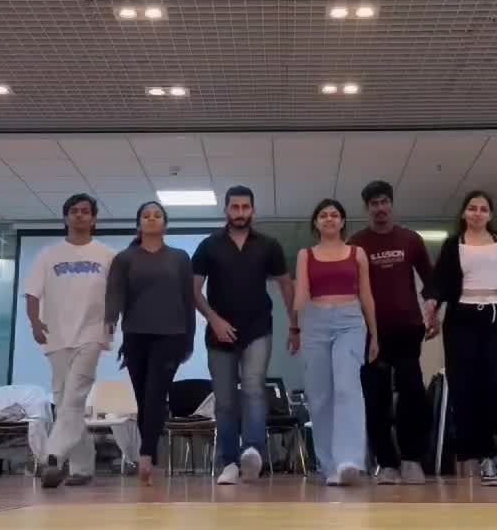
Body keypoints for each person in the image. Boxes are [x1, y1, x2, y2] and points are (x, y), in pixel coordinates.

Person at [426, 190, 497, 487]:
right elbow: (440, 281)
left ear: (490, 215)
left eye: (483, 209)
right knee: (467, 387)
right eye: (472, 208)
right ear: (463, 213)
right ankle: (485, 458)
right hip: (462, 319)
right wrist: (432, 305)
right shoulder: (453, 244)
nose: (477, 213)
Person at [192, 185, 298, 486]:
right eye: (234, 207)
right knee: (225, 401)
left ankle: (252, 452)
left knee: (253, 389)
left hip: (257, 329)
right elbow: (193, 290)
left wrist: (295, 325)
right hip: (220, 333)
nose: (240, 212)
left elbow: (286, 285)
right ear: (226, 210)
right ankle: (229, 462)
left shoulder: (268, 245)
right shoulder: (209, 245)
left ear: (253, 210)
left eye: (245, 207)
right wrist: (214, 320)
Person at [349, 180, 436, 486]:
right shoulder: (356, 243)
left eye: (384, 202)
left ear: (391, 204)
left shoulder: (410, 239)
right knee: (376, 399)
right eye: (374, 204)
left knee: (412, 393)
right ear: (367, 208)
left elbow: (431, 280)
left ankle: (412, 460)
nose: (380, 208)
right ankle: (387, 463)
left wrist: (433, 312)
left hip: (408, 329)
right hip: (371, 334)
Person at [24, 193, 115, 489]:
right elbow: (32, 293)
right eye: (74, 211)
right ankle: (82, 467)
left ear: (93, 218)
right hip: (56, 336)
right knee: (65, 401)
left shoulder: (107, 255)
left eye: (85, 211)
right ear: (66, 217)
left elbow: (116, 294)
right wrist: (34, 322)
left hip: (92, 334)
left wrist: (112, 322)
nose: (79, 215)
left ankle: (51, 457)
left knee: (74, 396)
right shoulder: (48, 255)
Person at [105, 200, 195, 485]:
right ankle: (149, 454)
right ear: (138, 224)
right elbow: (115, 292)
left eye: (157, 215)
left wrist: (189, 339)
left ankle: (145, 456)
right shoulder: (125, 258)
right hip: (136, 335)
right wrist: (110, 320)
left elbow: (188, 299)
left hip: (171, 335)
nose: (152, 219)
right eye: (146, 215)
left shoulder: (179, 258)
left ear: (165, 224)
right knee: (143, 397)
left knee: (156, 393)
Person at [294, 199, 378, 486]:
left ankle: (349, 460)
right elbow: (301, 293)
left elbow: (366, 294)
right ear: (316, 223)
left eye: (334, 215)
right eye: (323, 215)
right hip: (314, 321)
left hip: (350, 321)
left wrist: (374, 334)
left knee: (347, 388)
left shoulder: (357, 253)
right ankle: (330, 465)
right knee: (320, 395)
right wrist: (295, 326)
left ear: (342, 222)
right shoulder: (305, 254)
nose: (329, 219)